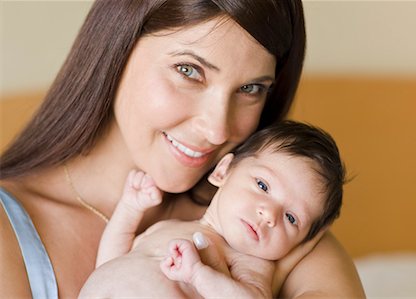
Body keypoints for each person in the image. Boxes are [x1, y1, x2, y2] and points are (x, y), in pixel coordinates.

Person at [0, 0, 365, 298]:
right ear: (117, 47)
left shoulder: (268, 229)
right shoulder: (8, 235)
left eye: (251, 88)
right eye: (189, 70)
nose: (217, 128)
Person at [79, 120, 347, 298]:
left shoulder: (250, 264)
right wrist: (129, 209)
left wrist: (199, 275)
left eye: (291, 218)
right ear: (223, 171)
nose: (269, 214)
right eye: (263, 186)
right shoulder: (169, 228)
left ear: (303, 242)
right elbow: (109, 263)